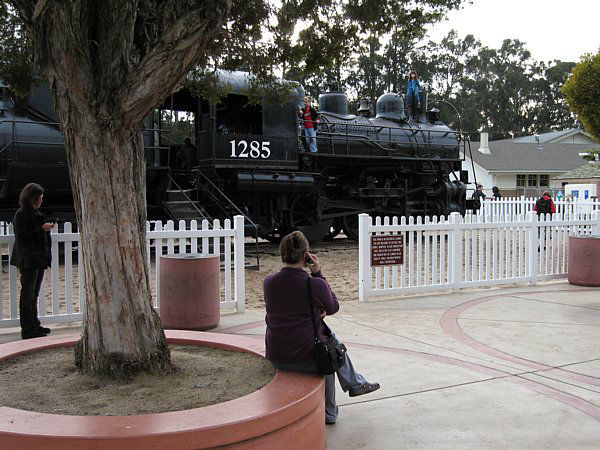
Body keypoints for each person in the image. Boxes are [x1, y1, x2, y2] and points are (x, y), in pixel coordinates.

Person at [263, 231, 380, 425]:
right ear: (306, 255)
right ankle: (330, 412)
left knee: (329, 338)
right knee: (329, 354)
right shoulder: (314, 284)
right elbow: (333, 307)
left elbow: (284, 308)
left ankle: (355, 383)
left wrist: (313, 312)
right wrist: (317, 272)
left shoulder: (269, 282)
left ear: (282, 254)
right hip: (304, 358)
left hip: (276, 355)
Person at [10, 183, 55, 339]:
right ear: (31, 198)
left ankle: (35, 324)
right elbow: (21, 237)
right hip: (29, 259)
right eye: (39, 198)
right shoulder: (21, 214)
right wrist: (41, 229)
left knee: (34, 294)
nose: (41, 201)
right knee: (27, 294)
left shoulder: (34, 212)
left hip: (37, 258)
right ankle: (28, 330)